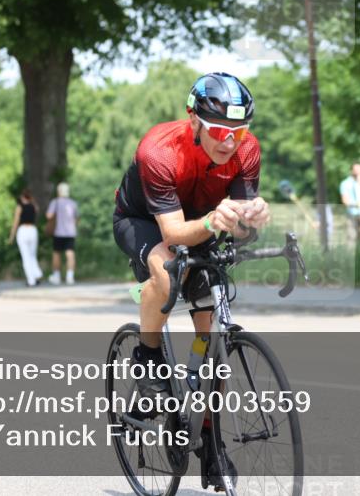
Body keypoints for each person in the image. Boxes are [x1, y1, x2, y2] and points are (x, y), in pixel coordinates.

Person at [112, 72, 270, 491]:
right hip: (144, 221)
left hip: (200, 220)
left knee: (212, 332)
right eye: (219, 130)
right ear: (193, 119)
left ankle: (209, 439)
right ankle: (147, 361)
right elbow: (174, 235)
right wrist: (217, 220)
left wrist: (250, 221)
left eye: (239, 132)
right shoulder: (159, 150)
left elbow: (239, 226)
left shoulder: (246, 151)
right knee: (165, 272)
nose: (228, 141)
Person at [8, 189, 44, 287]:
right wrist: (32, 200)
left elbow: (15, 222)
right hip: (33, 230)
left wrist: (11, 236)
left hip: (23, 230)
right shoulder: (34, 206)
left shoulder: (19, 207)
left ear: (22, 197)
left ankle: (31, 280)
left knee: (26, 257)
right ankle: (36, 274)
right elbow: (36, 209)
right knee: (32, 255)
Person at [46, 183, 78, 285]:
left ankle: (56, 276)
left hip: (58, 232)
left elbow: (48, 216)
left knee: (56, 253)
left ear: (59, 191)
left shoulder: (55, 202)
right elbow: (76, 218)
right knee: (70, 254)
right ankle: (70, 277)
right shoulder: (73, 203)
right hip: (70, 232)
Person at [339, 162, 360, 245]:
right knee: (351, 237)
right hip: (352, 213)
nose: (358, 172)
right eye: (356, 169)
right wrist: (355, 204)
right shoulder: (345, 183)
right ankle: (351, 256)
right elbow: (345, 201)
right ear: (352, 170)